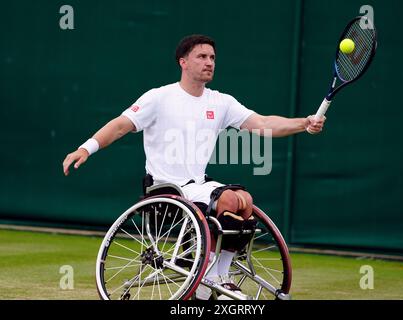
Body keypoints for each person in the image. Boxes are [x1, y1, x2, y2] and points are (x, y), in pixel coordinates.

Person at [62, 34, 325, 300]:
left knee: (245, 200)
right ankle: (210, 277)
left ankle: (218, 276)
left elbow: (263, 123)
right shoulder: (159, 97)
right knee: (230, 199)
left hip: (198, 186)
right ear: (183, 62)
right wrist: (86, 147)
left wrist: (303, 123)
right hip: (166, 189)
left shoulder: (221, 102)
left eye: (212, 57)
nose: (209, 62)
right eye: (202, 56)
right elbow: (120, 126)